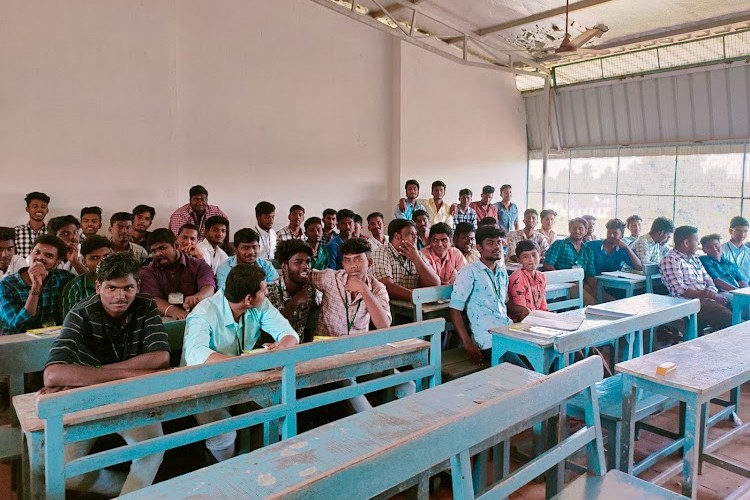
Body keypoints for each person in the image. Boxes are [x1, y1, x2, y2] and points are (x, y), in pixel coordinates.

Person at [42, 252, 169, 497]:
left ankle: (136, 492)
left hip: (128, 395)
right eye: (111, 288)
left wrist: (87, 374)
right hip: (86, 399)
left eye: (128, 288)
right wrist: (130, 372)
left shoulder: (145, 305)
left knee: (152, 449)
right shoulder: (80, 313)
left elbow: (160, 357)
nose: (120, 296)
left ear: (138, 286)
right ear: (98, 286)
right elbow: (53, 374)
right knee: (65, 469)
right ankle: (133, 490)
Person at [182, 264, 299, 462]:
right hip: (202, 385)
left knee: (279, 413)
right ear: (248, 299)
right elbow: (196, 354)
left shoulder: (259, 305)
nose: (267, 293)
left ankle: (260, 462)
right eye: (264, 290)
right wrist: (247, 365)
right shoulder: (203, 313)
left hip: (242, 379)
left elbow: (289, 334)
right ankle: (228, 471)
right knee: (224, 435)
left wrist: (281, 349)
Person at [450, 225, 526, 365]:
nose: (497, 247)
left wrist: (520, 309)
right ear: (479, 248)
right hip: (487, 339)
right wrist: (467, 344)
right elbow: (455, 310)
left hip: (508, 330)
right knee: (524, 371)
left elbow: (503, 301)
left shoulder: (502, 271)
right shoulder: (469, 273)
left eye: (499, 242)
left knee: (543, 359)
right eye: (490, 243)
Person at [311, 238, 391, 336]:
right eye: (347, 260)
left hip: (357, 346)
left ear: (369, 262)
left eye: (357, 259)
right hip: (326, 346)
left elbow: (384, 325)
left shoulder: (377, 288)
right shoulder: (331, 278)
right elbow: (303, 275)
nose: (352, 265)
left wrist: (364, 290)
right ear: (342, 264)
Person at [660, 226, 732, 331]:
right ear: (686, 243)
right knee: (729, 319)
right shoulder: (670, 259)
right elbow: (680, 290)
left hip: (705, 298)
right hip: (687, 303)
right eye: (696, 240)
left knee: (736, 307)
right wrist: (707, 294)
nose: (698, 243)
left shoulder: (694, 258)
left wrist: (712, 292)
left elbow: (708, 279)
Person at [0, 235, 73, 333]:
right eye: (37, 252)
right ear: (30, 254)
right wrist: (35, 289)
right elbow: (18, 327)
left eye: (48, 255)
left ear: (57, 263)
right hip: (16, 343)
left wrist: (75, 261)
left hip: (52, 340)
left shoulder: (63, 278)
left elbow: (87, 287)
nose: (40, 257)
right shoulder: (7, 285)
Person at [140, 229, 216, 320]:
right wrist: (174, 311)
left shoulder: (199, 266)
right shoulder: (148, 272)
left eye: (162, 248)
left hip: (197, 315)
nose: (158, 254)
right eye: (153, 251)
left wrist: (198, 297)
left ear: (176, 245)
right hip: (164, 318)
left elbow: (209, 288)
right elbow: (153, 299)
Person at [371, 219, 440, 301]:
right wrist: (417, 297)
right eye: (411, 234)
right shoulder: (381, 252)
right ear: (397, 237)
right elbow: (386, 286)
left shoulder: (418, 254)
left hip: (414, 306)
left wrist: (416, 259)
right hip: (390, 309)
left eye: (416, 234)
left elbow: (435, 284)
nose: (415, 237)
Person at [268, 240, 318, 338]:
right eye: (298, 262)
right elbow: (270, 332)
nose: (305, 266)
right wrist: (294, 302)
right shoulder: (269, 292)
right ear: (284, 267)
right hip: (274, 347)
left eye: (308, 262)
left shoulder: (311, 290)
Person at [544, 218, 596, 304]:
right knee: (592, 303)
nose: (577, 231)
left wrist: (595, 289)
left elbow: (590, 274)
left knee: (605, 299)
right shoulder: (560, 244)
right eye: (574, 228)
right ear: (569, 230)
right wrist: (562, 278)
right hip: (563, 284)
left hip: (581, 283)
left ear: (586, 231)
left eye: (580, 228)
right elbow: (548, 264)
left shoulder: (588, 251)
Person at [62, 235, 113, 316]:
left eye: (106, 256)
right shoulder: (75, 288)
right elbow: (69, 324)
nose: (102, 262)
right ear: (84, 262)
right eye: (95, 258)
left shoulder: (123, 284)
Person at [508, 240, 548, 312]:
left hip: (538, 318)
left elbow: (543, 305)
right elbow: (522, 310)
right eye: (525, 257)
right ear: (519, 260)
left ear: (540, 255)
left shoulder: (541, 277)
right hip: (522, 319)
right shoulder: (517, 278)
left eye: (534, 255)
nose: (531, 260)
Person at [15, 192, 49, 259]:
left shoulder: (52, 232)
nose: (39, 209)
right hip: (21, 269)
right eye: (35, 206)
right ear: (27, 209)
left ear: (47, 210)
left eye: (43, 207)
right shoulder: (16, 232)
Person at [721, 216, 750, 282]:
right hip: (727, 289)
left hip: (746, 289)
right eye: (738, 231)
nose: (742, 234)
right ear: (730, 231)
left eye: (745, 231)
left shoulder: (748, 252)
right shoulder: (721, 250)